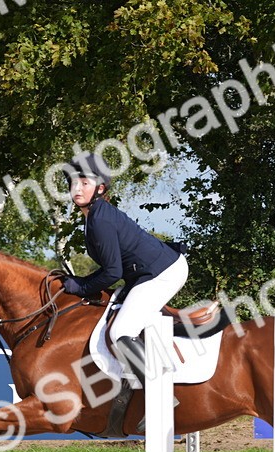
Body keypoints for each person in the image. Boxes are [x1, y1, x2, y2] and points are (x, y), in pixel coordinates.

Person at [59, 151, 188, 386]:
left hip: (162, 273)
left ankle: (160, 395)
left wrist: (82, 285)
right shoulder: (93, 216)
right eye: (73, 183)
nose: (77, 189)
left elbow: (112, 273)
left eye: (84, 183)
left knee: (120, 332)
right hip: (146, 272)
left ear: (100, 188)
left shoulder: (99, 220)